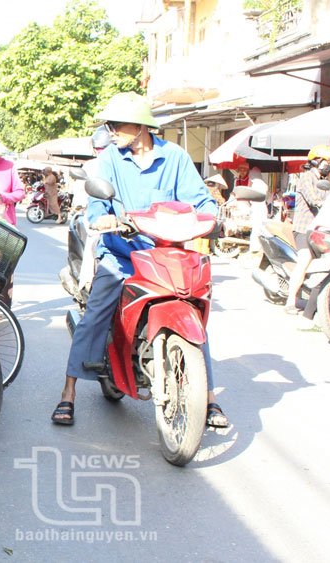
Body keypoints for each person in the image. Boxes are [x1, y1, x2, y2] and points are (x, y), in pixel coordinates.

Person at [51, 92, 227, 428]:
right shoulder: (111, 160)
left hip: (166, 253)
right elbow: (98, 204)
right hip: (121, 253)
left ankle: (209, 397)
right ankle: (68, 392)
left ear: (141, 127)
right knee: (96, 315)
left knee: (194, 312)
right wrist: (102, 217)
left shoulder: (175, 157)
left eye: (116, 125)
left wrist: (212, 217)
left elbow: (200, 200)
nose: (111, 131)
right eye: (109, 125)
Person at [284, 145, 330, 315]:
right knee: (304, 261)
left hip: (321, 229)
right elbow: (313, 199)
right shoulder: (306, 177)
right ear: (317, 161)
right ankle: (290, 300)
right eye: (327, 162)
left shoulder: (325, 181)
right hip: (304, 228)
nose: (329, 165)